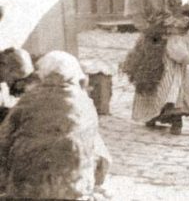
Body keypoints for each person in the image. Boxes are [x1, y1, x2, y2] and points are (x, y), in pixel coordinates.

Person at [0, 51, 111, 200]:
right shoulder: (85, 105)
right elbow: (101, 154)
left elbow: (4, 140)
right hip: (72, 190)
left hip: (27, 189)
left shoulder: (29, 100)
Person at [122, 0, 189, 135]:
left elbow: (178, 10)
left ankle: (176, 116)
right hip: (152, 42)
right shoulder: (132, 0)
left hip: (172, 44)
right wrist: (161, 27)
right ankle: (151, 114)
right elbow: (142, 26)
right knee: (151, 80)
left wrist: (179, 21)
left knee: (175, 79)